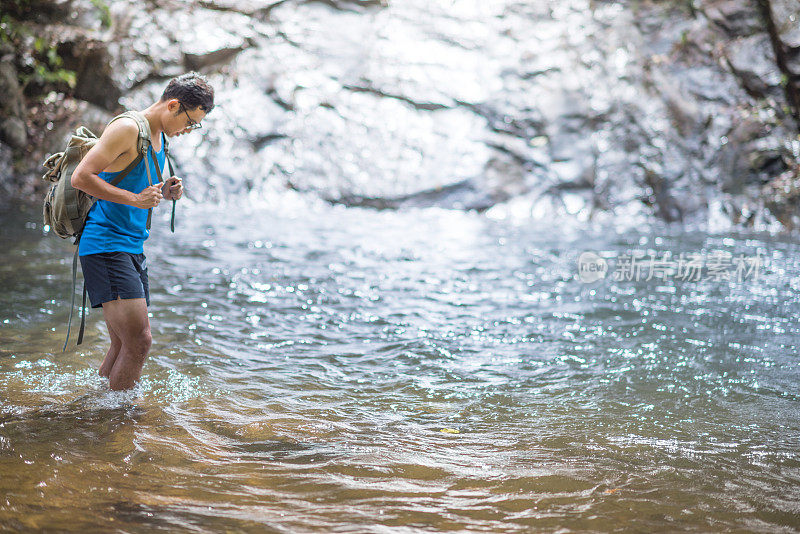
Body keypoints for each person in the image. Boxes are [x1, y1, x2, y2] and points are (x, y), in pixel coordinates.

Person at [71, 72, 214, 391]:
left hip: (132, 245)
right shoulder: (127, 129)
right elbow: (81, 177)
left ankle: (96, 410)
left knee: (124, 344)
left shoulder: (161, 135)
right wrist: (134, 199)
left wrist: (165, 191)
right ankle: (119, 421)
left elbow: (130, 180)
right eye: (190, 122)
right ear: (174, 105)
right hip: (106, 243)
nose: (189, 130)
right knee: (140, 342)